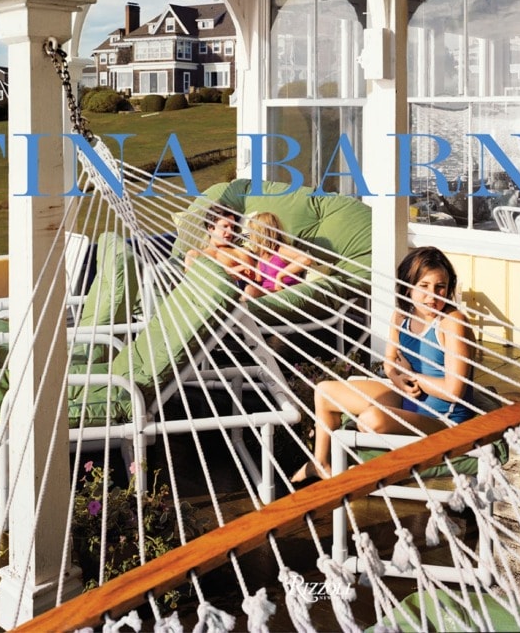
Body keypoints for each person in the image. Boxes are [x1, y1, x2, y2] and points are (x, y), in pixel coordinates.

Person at [291, 246, 474, 484]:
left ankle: (359, 467)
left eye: (441, 287)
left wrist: (413, 378)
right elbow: (389, 365)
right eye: (424, 286)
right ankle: (322, 464)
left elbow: (454, 391)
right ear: (408, 286)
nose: (433, 296)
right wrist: (399, 379)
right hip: (411, 399)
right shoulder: (401, 317)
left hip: (444, 419)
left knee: (371, 420)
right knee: (325, 391)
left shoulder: (452, 323)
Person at [241, 211, 312, 300]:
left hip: (282, 292)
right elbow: (259, 280)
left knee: (250, 291)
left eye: (251, 233)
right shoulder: (262, 256)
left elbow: (306, 259)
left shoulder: (281, 250)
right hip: (266, 293)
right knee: (245, 289)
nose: (250, 237)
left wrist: (280, 275)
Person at [184, 203, 254, 287]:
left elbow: (255, 280)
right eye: (225, 226)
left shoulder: (240, 253)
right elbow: (190, 282)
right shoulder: (194, 254)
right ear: (210, 228)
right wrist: (231, 271)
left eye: (232, 227)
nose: (230, 231)